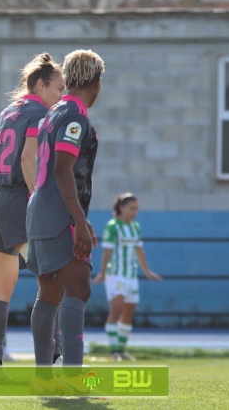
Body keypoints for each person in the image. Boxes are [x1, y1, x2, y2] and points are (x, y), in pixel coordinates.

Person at [0, 53, 65, 371]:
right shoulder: (40, 112)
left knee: (0, 286)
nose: (62, 96)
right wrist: (40, 199)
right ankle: (56, 353)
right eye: (59, 88)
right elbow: (27, 158)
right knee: (52, 275)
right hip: (16, 200)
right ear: (40, 85)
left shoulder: (9, 110)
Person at [25, 49, 105, 396]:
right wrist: (79, 220)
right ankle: (73, 377)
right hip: (59, 212)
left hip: (40, 208)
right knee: (79, 288)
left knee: (50, 292)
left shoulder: (53, 110)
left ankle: (44, 377)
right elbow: (62, 168)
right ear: (97, 83)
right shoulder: (75, 115)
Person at [93, 192, 162, 361]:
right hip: (115, 276)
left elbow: (139, 250)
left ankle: (122, 349)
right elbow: (107, 251)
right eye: (131, 208)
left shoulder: (135, 227)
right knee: (115, 312)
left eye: (136, 209)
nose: (134, 212)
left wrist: (147, 271)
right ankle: (114, 351)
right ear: (121, 208)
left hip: (131, 276)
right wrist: (102, 273)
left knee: (128, 314)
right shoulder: (112, 226)